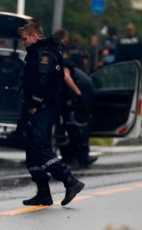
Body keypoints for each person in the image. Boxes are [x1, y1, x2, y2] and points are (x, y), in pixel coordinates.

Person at [18, 22, 85, 206]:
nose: (23, 42)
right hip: (37, 107)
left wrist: (34, 103)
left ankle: (70, 181)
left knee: (40, 146)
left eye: (25, 38)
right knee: (32, 150)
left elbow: (43, 82)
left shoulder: (44, 53)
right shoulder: (37, 51)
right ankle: (43, 192)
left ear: (34, 36)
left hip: (43, 108)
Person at [53, 28, 97, 167]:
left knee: (63, 126)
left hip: (55, 95)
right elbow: (66, 75)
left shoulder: (50, 50)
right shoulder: (63, 51)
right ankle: (81, 157)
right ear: (65, 39)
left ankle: (68, 155)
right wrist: (78, 93)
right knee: (76, 125)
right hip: (66, 95)